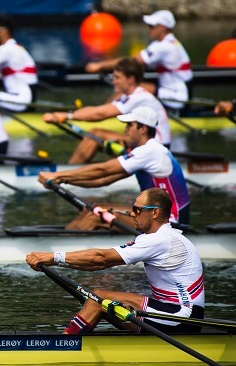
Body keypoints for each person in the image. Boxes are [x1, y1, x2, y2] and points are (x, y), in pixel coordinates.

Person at [26, 188, 204, 335]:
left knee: (99, 298)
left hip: (182, 317)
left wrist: (52, 257)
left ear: (155, 212)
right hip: (172, 313)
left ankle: (64, 346)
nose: (131, 213)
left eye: (137, 209)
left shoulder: (161, 240)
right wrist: (57, 262)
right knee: (98, 299)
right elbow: (98, 264)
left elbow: (101, 259)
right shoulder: (159, 238)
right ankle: (75, 340)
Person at [38, 106, 190, 227]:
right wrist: (64, 181)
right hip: (155, 215)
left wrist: (58, 175)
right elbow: (103, 180)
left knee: (95, 214)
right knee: (93, 207)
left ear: (142, 129)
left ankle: (59, 252)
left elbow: (102, 169)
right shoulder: (145, 152)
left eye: (130, 125)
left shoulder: (150, 151)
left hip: (169, 222)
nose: (125, 130)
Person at [43, 57, 170, 163]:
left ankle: (67, 173)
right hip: (145, 142)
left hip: (157, 148)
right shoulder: (127, 96)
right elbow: (102, 109)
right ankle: (84, 171)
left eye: (117, 77)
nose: (113, 81)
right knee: (99, 137)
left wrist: (66, 116)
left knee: (95, 135)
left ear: (130, 79)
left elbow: (101, 113)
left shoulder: (139, 97)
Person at [85, 10, 192, 110]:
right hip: (174, 91)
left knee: (126, 87)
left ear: (163, 27)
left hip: (175, 97)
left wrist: (99, 66)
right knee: (130, 84)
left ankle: (102, 114)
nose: (149, 29)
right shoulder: (171, 42)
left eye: (152, 26)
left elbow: (132, 62)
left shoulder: (164, 46)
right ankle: (107, 111)